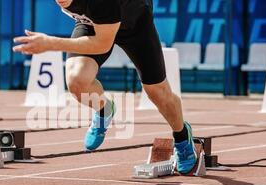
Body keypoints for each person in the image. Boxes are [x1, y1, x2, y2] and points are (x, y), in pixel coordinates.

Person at [13, 0, 197, 174]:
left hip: (135, 23)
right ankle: (104, 110)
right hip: (94, 23)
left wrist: (50, 43)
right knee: (77, 80)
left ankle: (182, 137)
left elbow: (102, 44)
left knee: (157, 92)